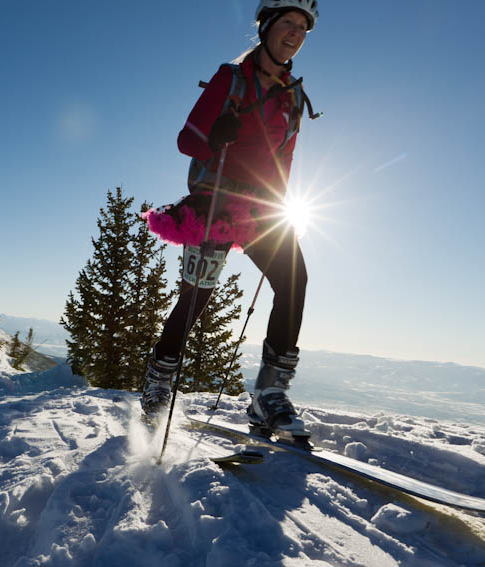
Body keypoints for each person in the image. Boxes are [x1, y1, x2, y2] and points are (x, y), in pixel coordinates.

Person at [141, 0, 319, 440]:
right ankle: (159, 379)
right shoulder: (231, 78)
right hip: (215, 200)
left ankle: (269, 394)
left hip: (263, 206)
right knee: (196, 297)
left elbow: (286, 156)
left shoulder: (294, 94)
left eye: (303, 27)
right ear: (266, 27)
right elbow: (188, 140)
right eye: (288, 23)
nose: (295, 33)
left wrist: (284, 201)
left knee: (293, 278)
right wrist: (213, 134)